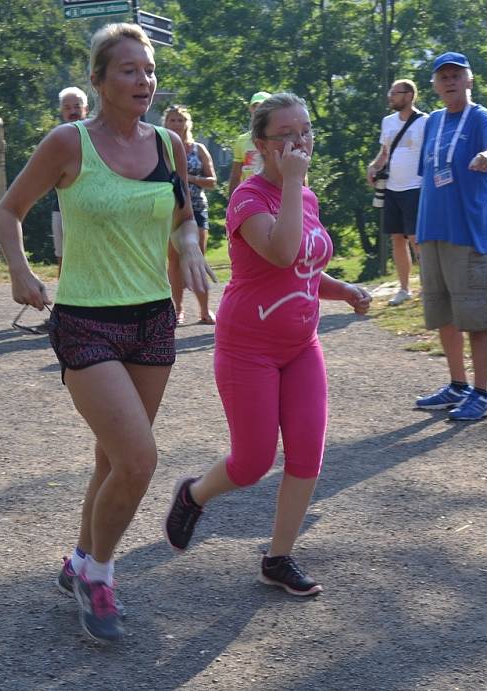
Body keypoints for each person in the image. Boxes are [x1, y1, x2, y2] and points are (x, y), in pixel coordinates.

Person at [0, 23, 213, 643]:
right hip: (87, 320)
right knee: (140, 460)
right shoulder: (70, 143)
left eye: (148, 70)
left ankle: (79, 560)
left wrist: (190, 247)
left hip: (152, 322)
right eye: (128, 70)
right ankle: (98, 575)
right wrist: (20, 271)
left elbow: (182, 219)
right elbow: (10, 210)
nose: (144, 80)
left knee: (112, 457)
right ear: (99, 80)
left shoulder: (169, 147)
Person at [163, 92, 372, 596]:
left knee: (307, 456)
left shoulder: (308, 197)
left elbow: (305, 268)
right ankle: (193, 494)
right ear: (261, 145)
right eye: (287, 135)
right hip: (247, 347)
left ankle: (278, 558)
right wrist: (295, 181)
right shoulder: (247, 199)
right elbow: (280, 253)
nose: (300, 142)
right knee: (252, 462)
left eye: (305, 131)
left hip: (302, 345)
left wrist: (342, 290)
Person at [413, 52, 487, 421]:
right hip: (432, 230)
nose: (449, 81)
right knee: (443, 312)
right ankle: (457, 385)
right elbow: (430, 173)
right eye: (443, 77)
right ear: (435, 85)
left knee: (473, 315)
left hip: (466, 232)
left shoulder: (480, 117)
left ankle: (482, 394)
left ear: (469, 80)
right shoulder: (434, 121)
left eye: (456, 75)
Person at [366, 79, 427, 305]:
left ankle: (428, 286)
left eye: (395, 92)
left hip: (416, 187)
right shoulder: (388, 122)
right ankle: (404, 288)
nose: (390, 96)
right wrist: (373, 167)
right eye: (390, 92)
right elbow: (384, 153)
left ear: (410, 95)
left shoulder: (425, 122)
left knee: (416, 238)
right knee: (396, 238)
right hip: (392, 187)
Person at [163, 104, 218, 325]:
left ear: (188, 123)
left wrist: (189, 178)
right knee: (174, 260)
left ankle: (204, 310)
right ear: (165, 123)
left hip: (196, 207)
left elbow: (213, 181)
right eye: (172, 120)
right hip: (170, 208)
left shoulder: (198, 149)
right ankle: (177, 310)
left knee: (197, 257)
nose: (177, 124)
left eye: (180, 120)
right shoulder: (160, 148)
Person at [52, 87, 89, 276]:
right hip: (62, 208)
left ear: (86, 109)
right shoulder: (55, 140)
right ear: (62, 111)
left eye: (77, 106)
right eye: (67, 107)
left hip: (93, 209)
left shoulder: (100, 137)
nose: (72, 111)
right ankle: (63, 303)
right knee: (64, 260)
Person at [227, 91, 272, 196]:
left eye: (263, 106)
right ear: (251, 110)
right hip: (250, 195)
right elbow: (235, 175)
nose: (258, 110)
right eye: (255, 106)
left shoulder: (280, 138)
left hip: (273, 194)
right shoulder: (241, 140)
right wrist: (231, 203)